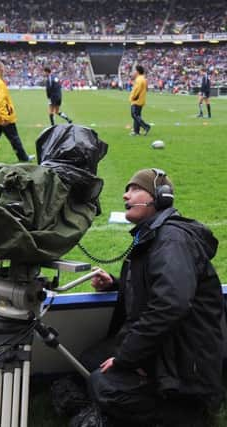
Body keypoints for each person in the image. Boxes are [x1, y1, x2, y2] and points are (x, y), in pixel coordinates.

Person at [76, 168, 224, 427]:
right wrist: (117, 284)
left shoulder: (172, 240)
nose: (125, 195)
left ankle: (186, 416)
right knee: (87, 363)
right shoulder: (154, 235)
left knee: (103, 383)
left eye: (135, 189)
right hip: (168, 344)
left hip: (184, 362)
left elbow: (170, 304)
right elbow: (159, 286)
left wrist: (126, 357)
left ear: (161, 197)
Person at [0, 61, 34, 163]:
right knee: (14, 139)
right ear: (1, 69)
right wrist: (5, 117)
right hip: (3, 118)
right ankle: (24, 158)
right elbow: (1, 101)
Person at [129, 65, 150, 136]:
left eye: (134, 71)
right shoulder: (142, 79)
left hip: (136, 101)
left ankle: (146, 126)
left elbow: (137, 90)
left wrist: (133, 98)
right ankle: (136, 131)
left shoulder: (139, 80)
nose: (133, 72)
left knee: (134, 114)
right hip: (140, 100)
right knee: (137, 115)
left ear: (137, 71)